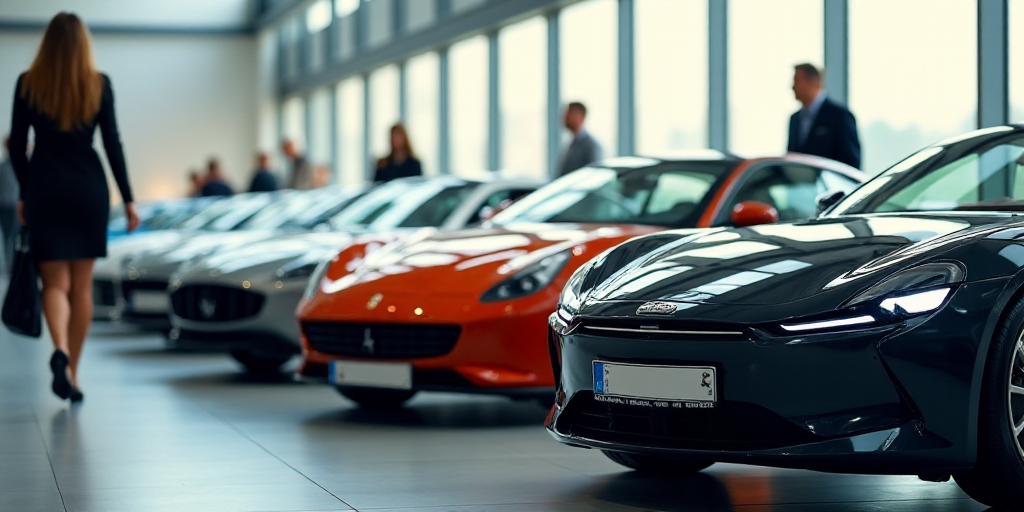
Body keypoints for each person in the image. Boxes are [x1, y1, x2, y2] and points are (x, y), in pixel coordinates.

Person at [8, 12, 139, 402]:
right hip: (88, 188)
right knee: (81, 287)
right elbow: (113, 143)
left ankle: (59, 350)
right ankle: (74, 374)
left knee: (54, 284)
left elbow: (16, 146)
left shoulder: (28, 84)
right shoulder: (98, 84)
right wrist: (129, 198)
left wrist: (25, 192)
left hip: (45, 187)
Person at [787, 63, 861, 169]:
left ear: (813, 82)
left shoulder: (840, 116)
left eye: (797, 81)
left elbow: (851, 163)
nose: (792, 87)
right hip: (801, 185)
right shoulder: (795, 119)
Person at [557, 102, 604, 177]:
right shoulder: (571, 144)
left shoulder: (591, 146)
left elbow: (594, 176)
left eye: (569, 113)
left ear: (581, 116)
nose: (565, 117)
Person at [0, 136, 19, 273]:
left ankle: (13, 267)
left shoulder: (4, 167)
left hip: (8, 206)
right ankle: (12, 268)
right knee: (12, 238)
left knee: (10, 238)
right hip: (11, 206)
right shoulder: (16, 165)